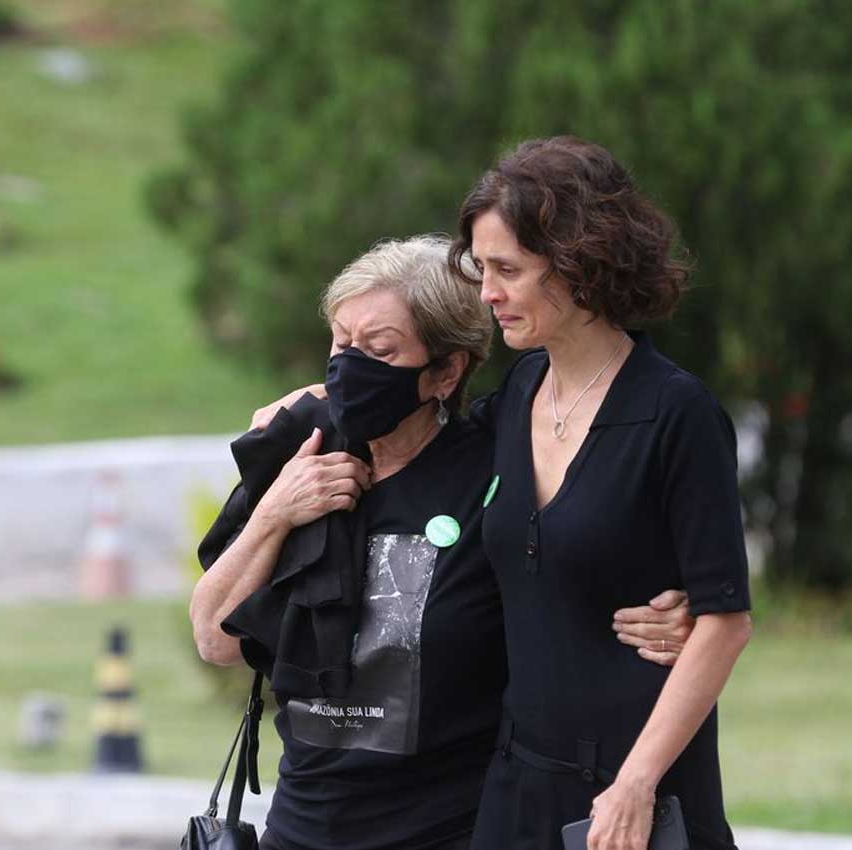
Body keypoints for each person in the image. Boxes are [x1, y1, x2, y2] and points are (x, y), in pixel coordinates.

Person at [190, 235, 694, 850]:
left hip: (446, 829)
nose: (348, 367)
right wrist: (276, 511)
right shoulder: (302, 454)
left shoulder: (495, 474)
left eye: (378, 350)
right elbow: (216, 639)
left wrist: (675, 610)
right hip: (300, 830)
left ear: (446, 372)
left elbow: (575, 573)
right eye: (340, 343)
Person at [450, 137, 753, 850]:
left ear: (581, 265)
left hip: (635, 804)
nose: (488, 293)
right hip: (516, 789)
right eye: (482, 269)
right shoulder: (516, 394)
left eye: (508, 270)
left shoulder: (678, 414)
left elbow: (725, 621)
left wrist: (635, 784)